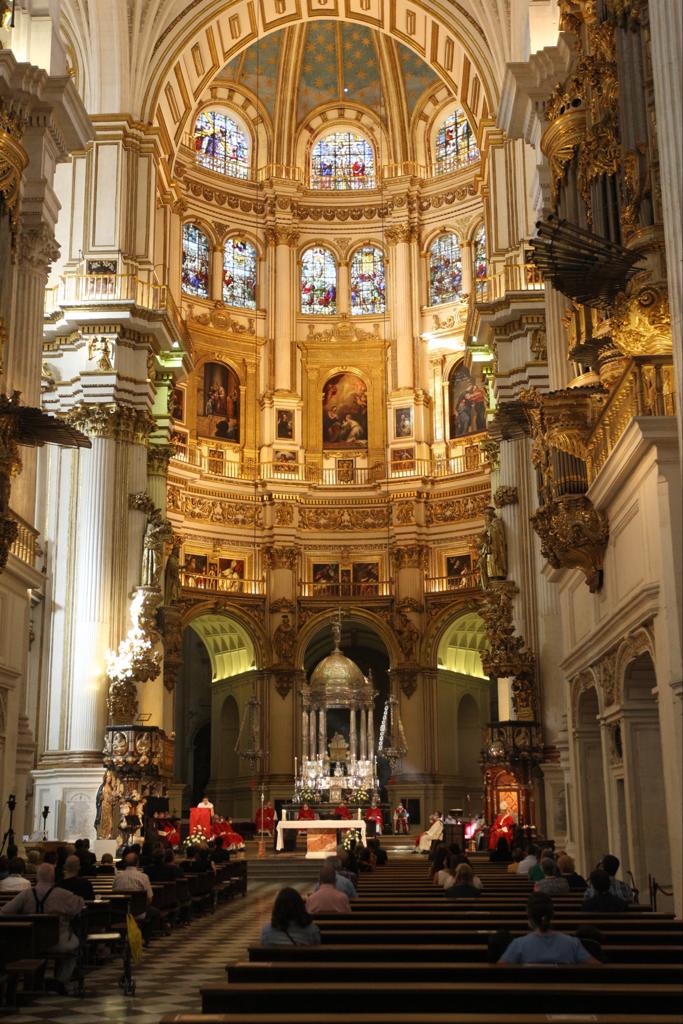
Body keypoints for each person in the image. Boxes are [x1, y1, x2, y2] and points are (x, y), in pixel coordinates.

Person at [1, 863, 84, 986]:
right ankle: (61, 979)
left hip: (30, 942)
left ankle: (30, 982)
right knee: (76, 947)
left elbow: (4, 912)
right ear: (54, 877)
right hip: (57, 942)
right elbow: (79, 906)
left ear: (37, 877)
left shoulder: (26, 894)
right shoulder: (63, 894)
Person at [499, 894, 600, 965]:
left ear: (529, 917)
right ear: (552, 915)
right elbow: (596, 967)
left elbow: (500, 970)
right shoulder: (572, 943)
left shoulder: (519, 944)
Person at [112, 851, 160, 944]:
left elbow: (113, 893)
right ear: (137, 863)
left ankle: (120, 938)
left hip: (120, 911)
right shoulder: (143, 877)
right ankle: (144, 937)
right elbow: (149, 898)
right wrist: (143, 907)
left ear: (125, 863)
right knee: (156, 913)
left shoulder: (117, 877)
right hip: (139, 911)